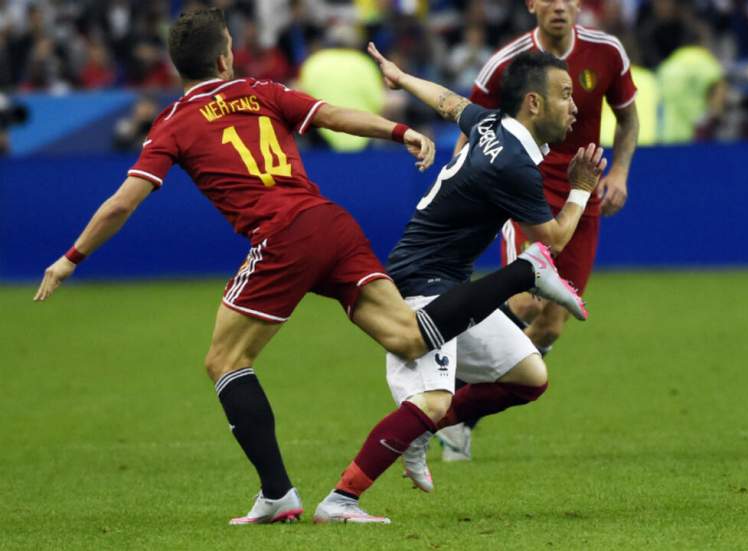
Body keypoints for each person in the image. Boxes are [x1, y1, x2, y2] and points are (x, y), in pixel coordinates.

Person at [32, 7, 585, 526]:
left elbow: (123, 202)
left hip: (280, 236)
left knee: (225, 358)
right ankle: (520, 277)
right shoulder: (258, 91)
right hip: (330, 222)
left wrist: (68, 259)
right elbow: (335, 116)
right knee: (411, 339)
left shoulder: (174, 122)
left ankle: (277, 494)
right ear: (225, 58)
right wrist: (397, 131)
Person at [311, 44, 606, 525]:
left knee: (529, 376)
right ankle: (340, 500)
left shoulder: (490, 125)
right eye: (565, 95)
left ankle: (420, 434)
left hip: (446, 280)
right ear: (533, 103)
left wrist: (402, 77)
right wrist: (581, 187)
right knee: (432, 399)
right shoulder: (513, 164)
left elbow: (448, 102)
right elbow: (551, 237)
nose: (575, 106)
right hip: (422, 286)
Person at [441, 0, 639, 461]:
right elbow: (470, 123)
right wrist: (460, 180)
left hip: (581, 198)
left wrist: (622, 173)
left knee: (551, 324)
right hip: (522, 191)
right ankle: (440, 389)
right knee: (527, 298)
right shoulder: (507, 63)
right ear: (531, 5)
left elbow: (627, 115)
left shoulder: (607, 52)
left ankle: (457, 411)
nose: (558, 5)